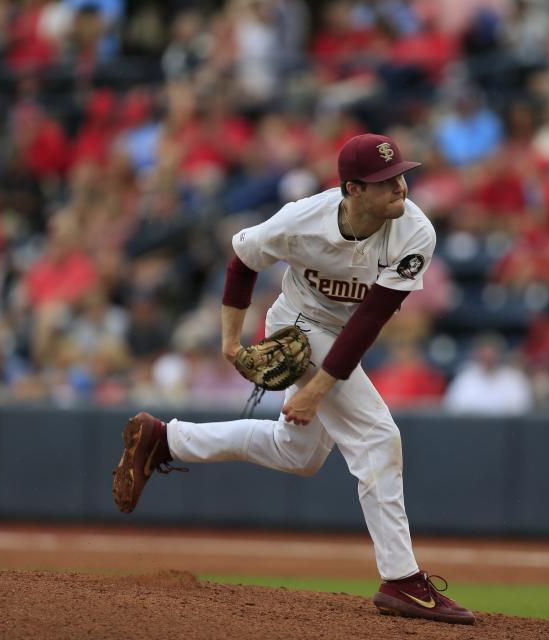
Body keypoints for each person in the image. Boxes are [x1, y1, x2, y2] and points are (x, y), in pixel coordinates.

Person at [111, 133, 474, 625]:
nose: (400, 186)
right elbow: (242, 259)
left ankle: (167, 440)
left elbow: (370, 320)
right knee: (377, 436)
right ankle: (401, 579)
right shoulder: (302, 219)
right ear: (352, 189)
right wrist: (230, 342)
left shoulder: (415, 232)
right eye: (384, 181)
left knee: (296, 453)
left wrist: (316, 391)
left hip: (344, 335)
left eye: (400, 175)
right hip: (297, 327)